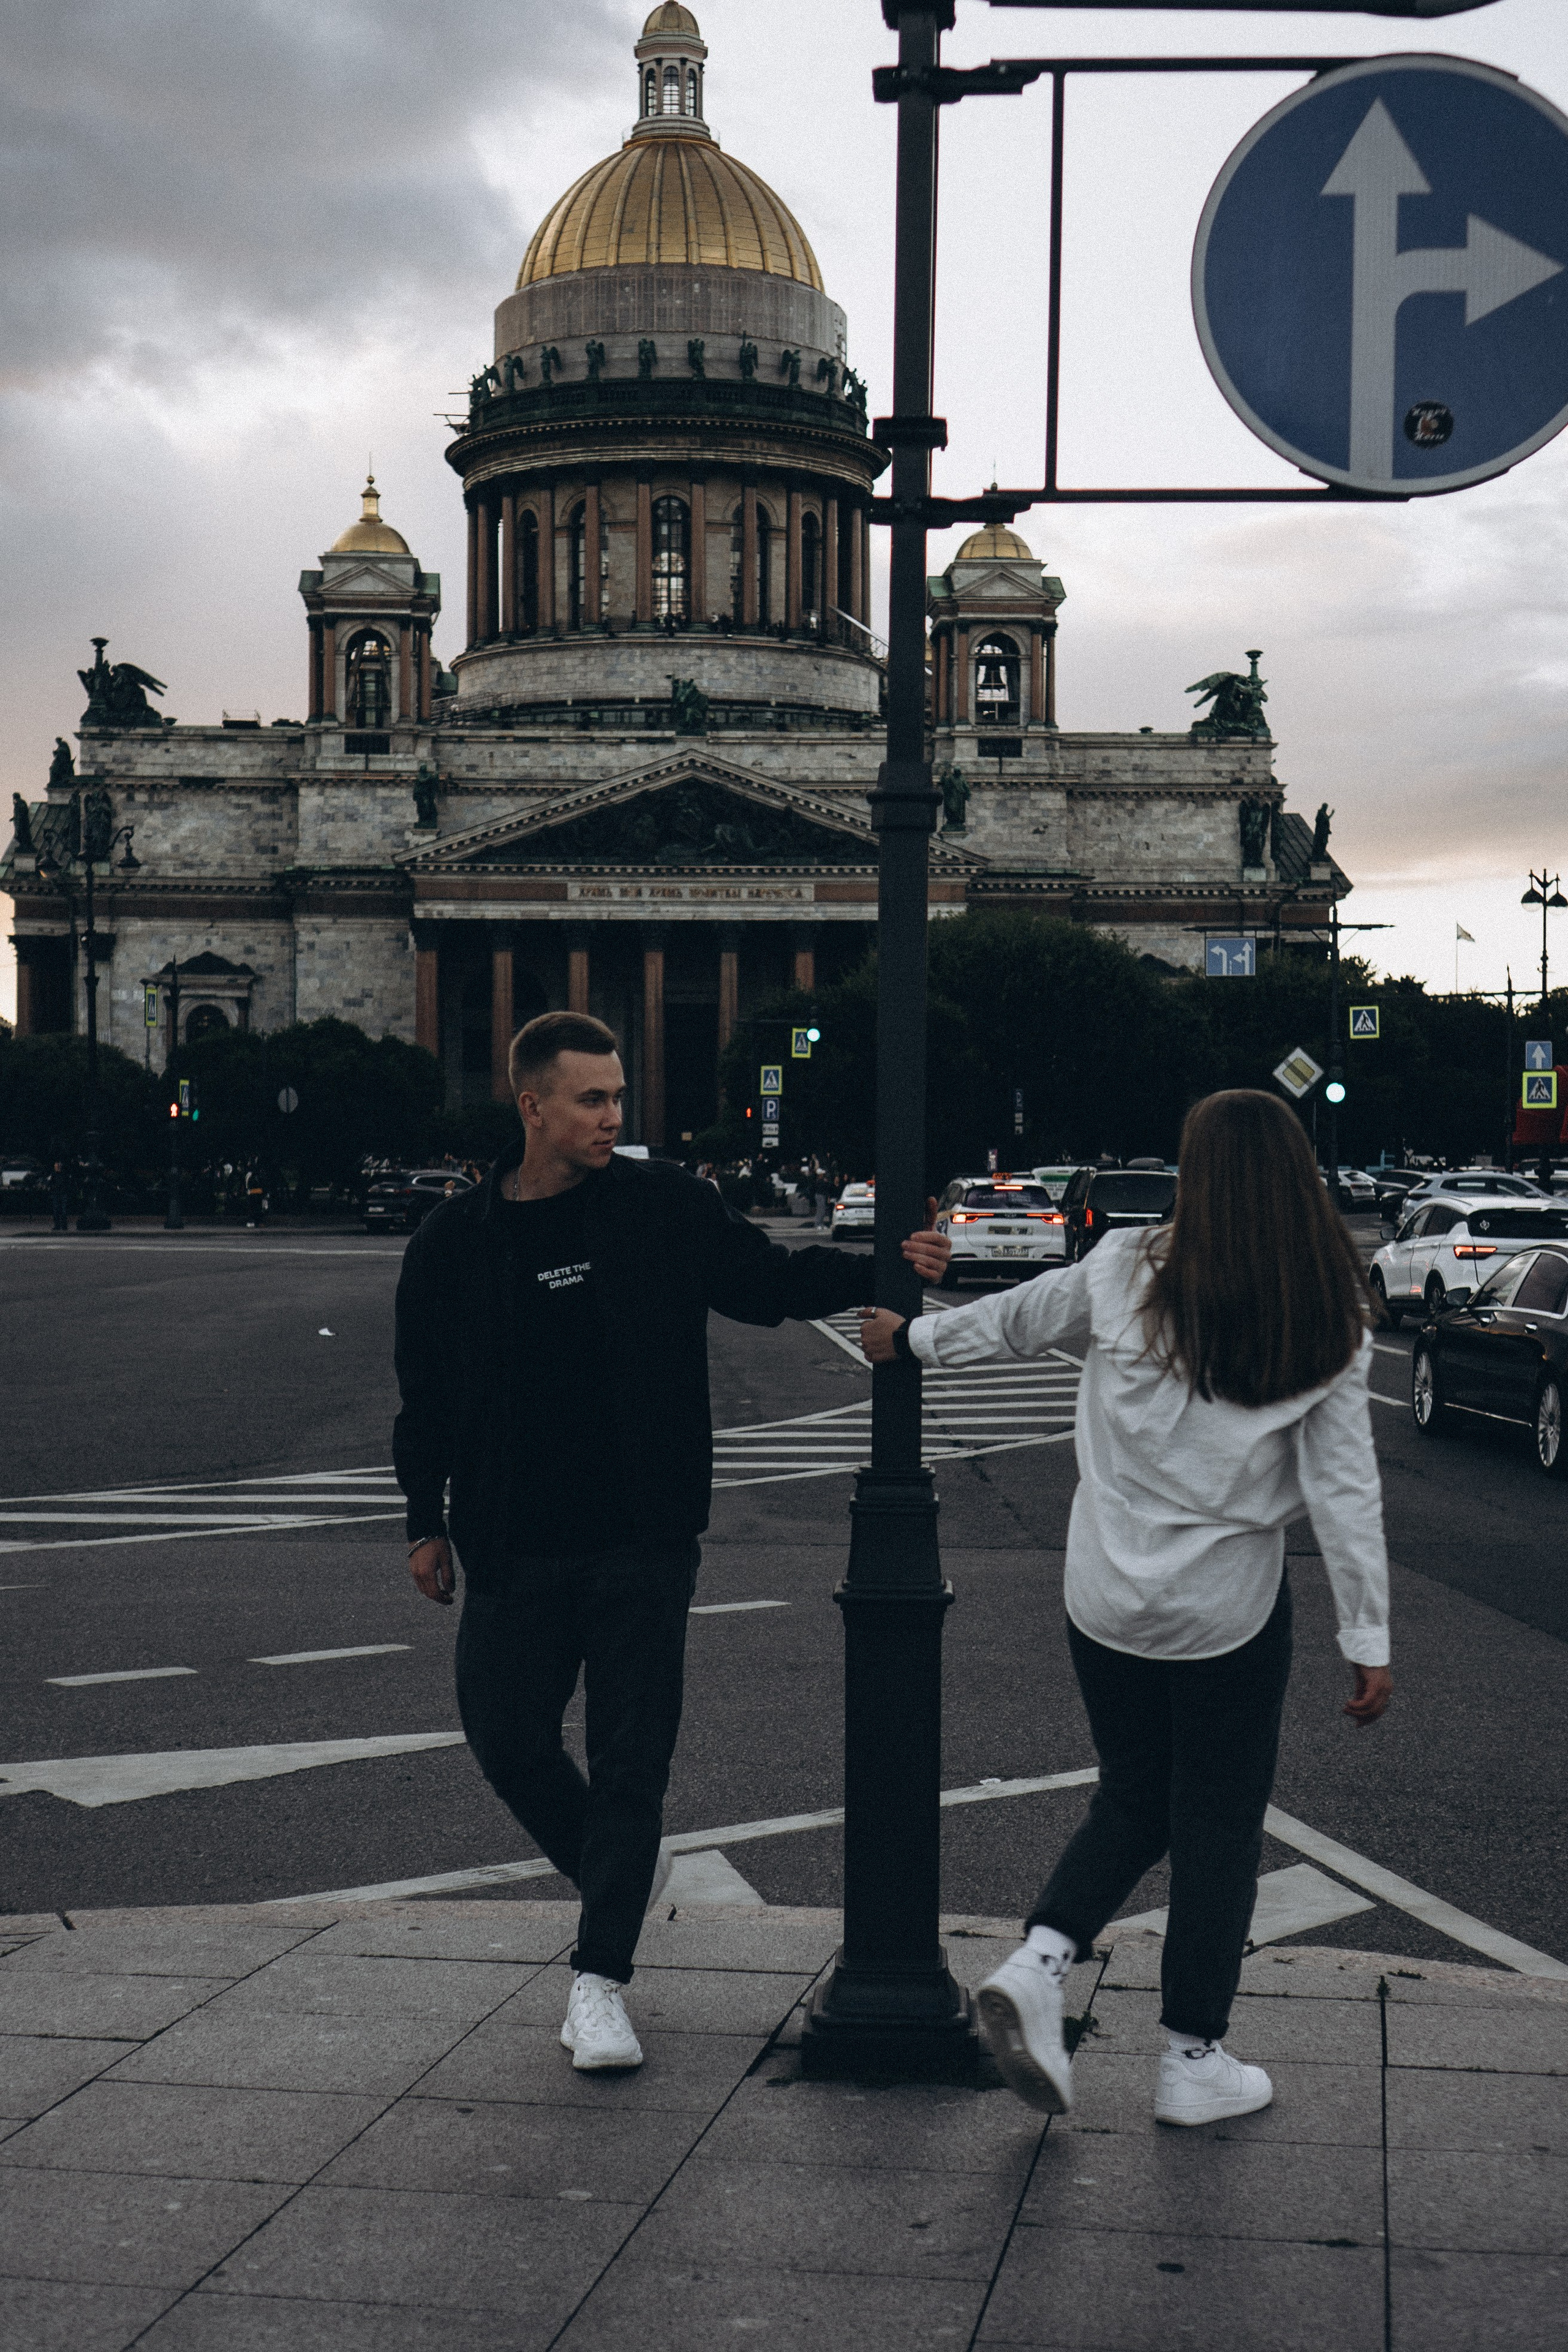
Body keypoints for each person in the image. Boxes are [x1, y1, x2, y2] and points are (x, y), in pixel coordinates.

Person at [396, 1011, 950, 2074]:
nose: (614, 1116)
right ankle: (621, 1870)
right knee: (506, 1737)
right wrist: (425, 1519)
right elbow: (425, 1394)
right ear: (532, 1108)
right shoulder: (453, 1240)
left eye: (617, 1097)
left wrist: (889, 1260)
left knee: (631, 1764)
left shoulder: (665, 1208)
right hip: (511, 1537)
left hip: (643, 1536)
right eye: (592, 1100)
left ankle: (599, 1982)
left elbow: (769, 1287)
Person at [861, 1089, 1391, 2128]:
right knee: (1220, 1826)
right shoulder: (1325, 1314)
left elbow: (1015, 1321)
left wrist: (910, 1340)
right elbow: (1345, 1491)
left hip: (1103, 1595)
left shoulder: (1126, 1268)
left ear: (1195, 1177)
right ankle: (1193, 2059)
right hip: (1227, 1613)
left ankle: (1042, 1960)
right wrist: (1366, 1637)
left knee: (1134, 1796)